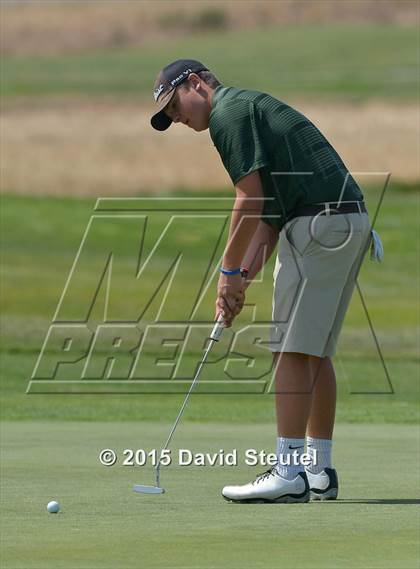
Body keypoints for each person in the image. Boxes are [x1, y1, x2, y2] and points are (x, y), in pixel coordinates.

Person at [150, 59, 373, 503]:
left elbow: (248, 198)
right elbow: (268, 217)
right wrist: (241, 281)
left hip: (318, 225)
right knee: (313, 351)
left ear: (196, 84)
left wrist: (227, 271)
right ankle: (319, 470)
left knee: (289, 349)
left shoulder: (228, 114)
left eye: (175, 105)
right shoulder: (248, 109)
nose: (176, 118)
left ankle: (289, 473)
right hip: (343, 221)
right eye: (169, 115)